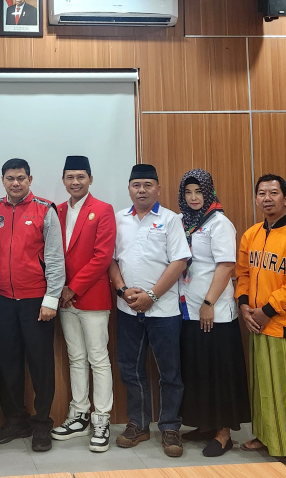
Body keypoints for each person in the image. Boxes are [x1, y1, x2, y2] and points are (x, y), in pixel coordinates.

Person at [235, 173, 286, 474]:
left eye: (273, 193)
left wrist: (267, 311)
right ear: (256, 199)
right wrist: (244, 306)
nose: (267, 198)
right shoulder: (251, 235)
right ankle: (267, 437)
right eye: (262, 193)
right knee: (264, 388)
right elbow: (243, 274)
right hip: (257, 322)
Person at [108, 163, 190, 458]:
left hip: (164, 310)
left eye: (147, 185)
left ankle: (170, 427)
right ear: (129, 189)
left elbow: (179, 262)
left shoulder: (171, 220)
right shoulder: (118, 219)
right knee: (131, 369)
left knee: (169, 372)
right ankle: (139, 424)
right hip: (128, 308)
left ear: (158, 188)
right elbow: (110, 260)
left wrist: (152, 295)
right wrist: (122, 290)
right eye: (136, 185)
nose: (141, 190)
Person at [0, 158, 65, 452]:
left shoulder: (45, 209)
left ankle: (42, 423)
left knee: (40, 364)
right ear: (3, 180)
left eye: (21, 178)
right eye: (10, 178)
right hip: (3, 300)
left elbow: (55, 258)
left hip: (36, 302)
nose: (16, 183)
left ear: (30, 179)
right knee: (8, 363)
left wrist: (51, 299)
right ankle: (15, 420)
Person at [175, 169, 250, 458]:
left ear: (209, 193)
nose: (193, 197)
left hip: (214, 312)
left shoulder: (219, 223)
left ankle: (223, 433)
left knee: (219, 371)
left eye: (199, 192)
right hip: (187, 309)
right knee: (197, 369)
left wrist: (209, 303)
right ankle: (205, 424)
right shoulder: (183, 222)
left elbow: (226, 265)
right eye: (188, 192)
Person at [50, 156, 116, 452]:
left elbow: (102, 257)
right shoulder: (57, 210)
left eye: (80, 176)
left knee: (98, 359)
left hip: (92, 297)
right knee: (76, 358)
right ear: (63, 180)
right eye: (70, 177)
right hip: (64, 299)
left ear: (90, 179)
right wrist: (59, 291)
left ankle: (102, 419)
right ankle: (79, 415)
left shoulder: (102, 209)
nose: (75, 182)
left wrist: (72, 289)